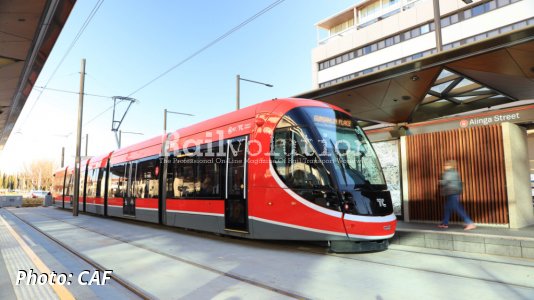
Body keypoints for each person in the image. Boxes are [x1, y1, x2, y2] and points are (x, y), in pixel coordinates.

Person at [438, 160, 476, 230]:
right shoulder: (454, 172)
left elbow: (444, 182)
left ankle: (470, 223)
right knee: (447, 208)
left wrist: (440, 180)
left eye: (446, 165)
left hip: (452, 192)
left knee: (457, 208)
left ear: (450, 166)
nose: (445, 166)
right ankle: (444, 223)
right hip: (452, 192)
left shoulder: (449, 173)